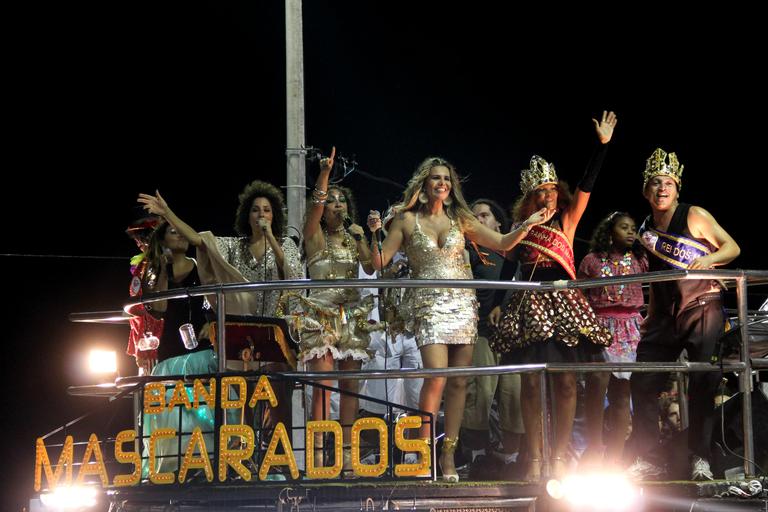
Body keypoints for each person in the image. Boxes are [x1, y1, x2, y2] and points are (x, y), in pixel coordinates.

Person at [367, 157, 554, 482]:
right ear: (424, 184)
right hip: (428, 306)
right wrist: (373, 234)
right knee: (437, 377)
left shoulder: (460, 218)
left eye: (447, 178)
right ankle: (422, 453)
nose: (442, 183)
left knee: (459, 382)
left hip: (462, 306)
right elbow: (377, 263)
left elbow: (501, 242)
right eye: (436, 178)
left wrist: (528, 225)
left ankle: (449, 457)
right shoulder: (406, 221)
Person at [490, 110, 618, 481]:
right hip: (530, 302)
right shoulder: (522, 226)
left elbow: (587, 185)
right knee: (531, 381)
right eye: (539, 191)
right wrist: (499, 302)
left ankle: (560, 456)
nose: (546, 195)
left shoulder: (567, 219)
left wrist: (602, 146)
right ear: (530, 197)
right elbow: (507, 264)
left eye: (550, 189)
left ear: (557, 192)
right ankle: (535, 456)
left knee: (564, 380)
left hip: (564, 302)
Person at [137, 181, 303, 457]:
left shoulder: (285, 245)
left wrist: (272, 238)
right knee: (243, 399)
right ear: (246, 216)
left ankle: (278, 458)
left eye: (267, 210)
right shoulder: (233, 247)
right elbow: (200, 240)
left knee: (277, 398)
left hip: (275, 333)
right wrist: (167, 213)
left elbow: (292, 275)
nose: (261, 215)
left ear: (275, 216)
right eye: (255, 210)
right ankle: (243, 457)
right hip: (241, 334)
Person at [627, 148, 740, 481]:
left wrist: (708, 260)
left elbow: (732, 247)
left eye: (668, 183)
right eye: (655, 183)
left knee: (703, 382)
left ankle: (700, 458)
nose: (662, 189)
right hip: (664, 315)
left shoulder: (694, 215)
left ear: (677, 189)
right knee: (643, 381)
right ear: (646, 190)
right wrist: (650, 317)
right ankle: (648, 458)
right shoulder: (647, 229)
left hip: (702, 305)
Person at [279, 147, 381, 474]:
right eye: (332, 201)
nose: (337, 205)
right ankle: (320, 453)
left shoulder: (353, 238)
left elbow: (372, 264)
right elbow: (316, 205)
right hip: (320, 317)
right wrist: (324, 173)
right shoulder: (313, 236)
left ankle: (348, 453)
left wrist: (369, 236)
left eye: (342, 201)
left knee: (351, 386)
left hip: (350, 317)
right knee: (322, 388)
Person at [577, 211, 648, 470]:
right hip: (599, 326)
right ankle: (594, 448)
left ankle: (616, 456)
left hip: (630, 328)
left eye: (633, 228)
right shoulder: (591, 260)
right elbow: (579, 296)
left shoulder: (641, 259)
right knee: (597, 387)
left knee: (622, 393)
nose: (631, 232)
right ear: (609, 232)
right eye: (624, 227)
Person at [461, 199, 524, 472]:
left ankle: (510, 457)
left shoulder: (516, 255)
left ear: (498, 223)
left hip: (515, 336)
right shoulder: (469, 252)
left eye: (484, 215)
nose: (479, 221)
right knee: (480, 393)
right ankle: (476, 455)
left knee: (514, 395)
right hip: (482, 332)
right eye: (473, 218)